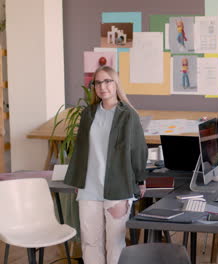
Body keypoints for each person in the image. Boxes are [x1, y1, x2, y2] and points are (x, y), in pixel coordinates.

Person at [64, 66, 148, 264]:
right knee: (90, 242)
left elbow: (138, 151)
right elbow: (80, 149)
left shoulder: (128, 115)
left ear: (116, 83)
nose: (103, 87)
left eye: (107, 81)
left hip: (118, 188)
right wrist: (78, 178)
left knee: (115, 243)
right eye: (98, 82)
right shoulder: (89, 114)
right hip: (89, 188)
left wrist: (140, 180)